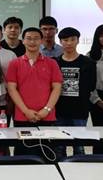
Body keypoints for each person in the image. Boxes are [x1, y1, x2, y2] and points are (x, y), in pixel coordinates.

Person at [6, 27, 63, 159]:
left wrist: (46, 109)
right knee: (24, 154)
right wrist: (26, 111)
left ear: (41, 41)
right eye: (29, 38)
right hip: (22, 116)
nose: (32, 42)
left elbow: (57, 88)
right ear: (23, 41)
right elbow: (12, 89)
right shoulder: (15, 63)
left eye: (36, 38)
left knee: (47, 154)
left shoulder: (52, 63)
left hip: (47, 116)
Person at [54, 27, 95, 156]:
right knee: (59, 147)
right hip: (59, 109)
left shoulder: (88, 62)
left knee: (79, 147)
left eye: (72, 39)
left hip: (79, 110)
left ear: (78, 41)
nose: (69, 43)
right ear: (60, 42)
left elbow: (91, 85)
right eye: (65, 40)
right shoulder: (55, 62)